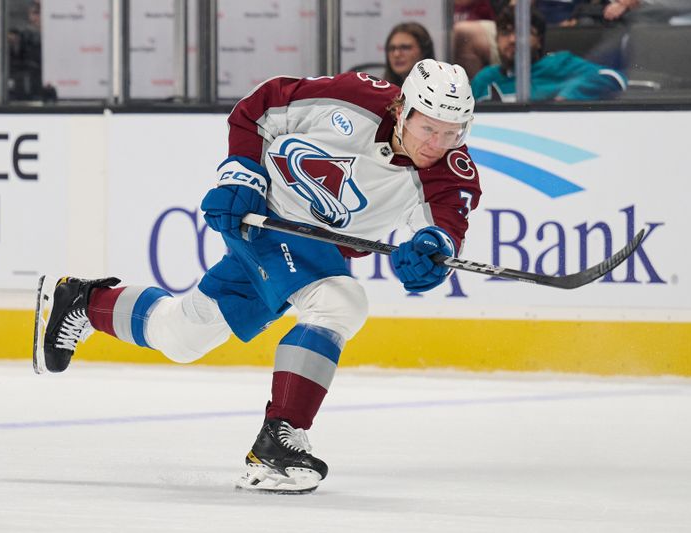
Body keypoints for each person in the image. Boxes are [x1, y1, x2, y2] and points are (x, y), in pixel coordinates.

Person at [34, 59, 482, 494]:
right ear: (401, 108)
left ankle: (82, 302)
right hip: (265, 217)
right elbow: (259, 106)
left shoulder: (451, 172)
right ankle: (277, 443)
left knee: (183, 335)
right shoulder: (353, 98)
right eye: (428, 128)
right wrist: (241, 174)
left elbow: (444, 231)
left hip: (310, 247)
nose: (437, 143)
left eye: (451, 132)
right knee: (340, 302)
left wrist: (431, 254)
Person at [471, 6, 626, 101]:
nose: (512, 39)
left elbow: (612, 77)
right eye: (505, 32)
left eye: (522, 32)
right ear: (497, 39)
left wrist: (565, 97)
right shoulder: (484, 79)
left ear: (539, 40)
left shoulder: (559, 64)